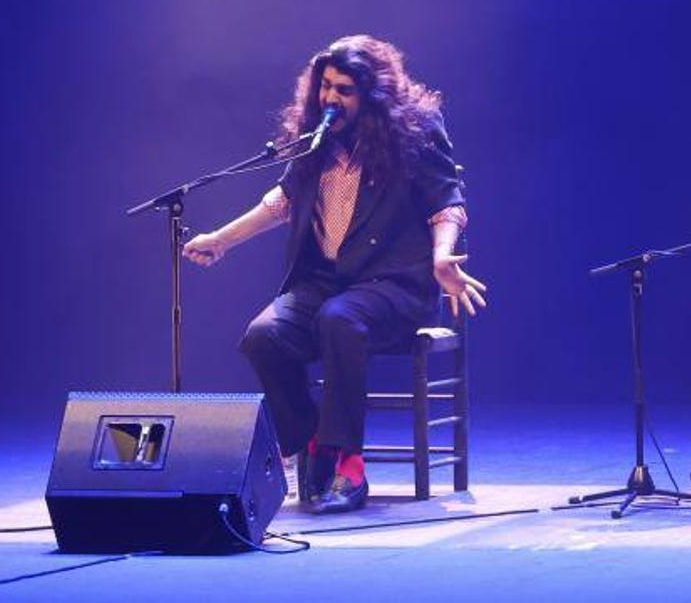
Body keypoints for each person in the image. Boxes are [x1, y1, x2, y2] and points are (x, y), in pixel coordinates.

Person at [183, 35, 487, 514]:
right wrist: (221, 239)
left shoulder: (415, 132)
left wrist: (442, 257)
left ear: (373, 93)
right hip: (326, 284)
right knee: (263, 336)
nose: (331, 99)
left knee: (339, 320)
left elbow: (447, 202)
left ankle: (349, 464)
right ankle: (312, 444)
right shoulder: (315, 139)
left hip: (393, 284)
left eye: (344, 89)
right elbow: (281, 202)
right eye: (326, 87)